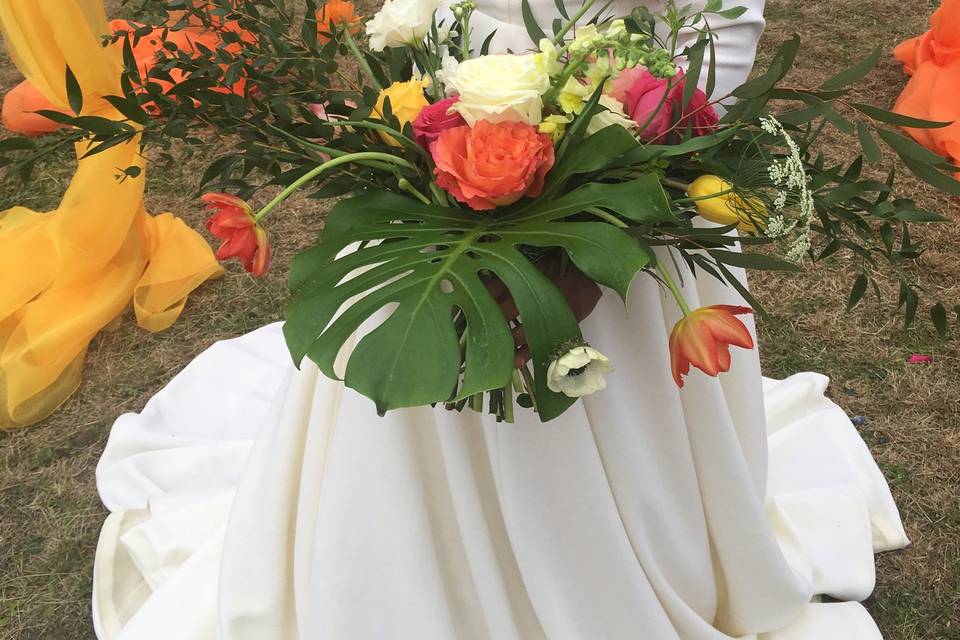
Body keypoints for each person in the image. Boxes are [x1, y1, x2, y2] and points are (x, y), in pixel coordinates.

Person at [91, 1, 909, 638]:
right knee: (413, 377)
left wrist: (587, 241)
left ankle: (609, 583)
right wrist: (420, 130)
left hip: (632, 178)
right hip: (443, 160)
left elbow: (716, 43)